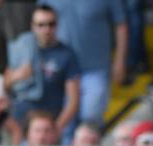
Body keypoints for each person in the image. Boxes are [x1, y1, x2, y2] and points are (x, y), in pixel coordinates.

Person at [43, 0, 125, 128]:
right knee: (64, 125)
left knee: (90, 117)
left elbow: (121, 24)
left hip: (96, 68)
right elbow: (39, 22)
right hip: (61, 71)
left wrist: (120, 60)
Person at [4, 3, 80, 136]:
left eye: (51, 24)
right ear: (32, 26)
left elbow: (73, 100)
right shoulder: (21, 46)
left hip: (49, 123)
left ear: (57, 25)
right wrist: (17, 76)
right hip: (21, 123)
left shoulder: (66, 53)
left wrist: (56, 129)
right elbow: (5, 85)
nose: (46, 29)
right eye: (41, 25)